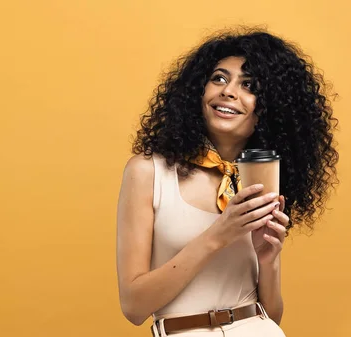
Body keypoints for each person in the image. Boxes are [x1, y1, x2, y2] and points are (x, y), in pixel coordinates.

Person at [116, 27, 338, 336]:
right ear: (198, 90)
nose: (228, 91)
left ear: (270, 108)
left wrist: (268, 260)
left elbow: (272, 316)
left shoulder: (262, 177)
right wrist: (218, 235)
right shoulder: (148, 172)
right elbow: (134, 306)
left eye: (248, 85)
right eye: (219, 78)